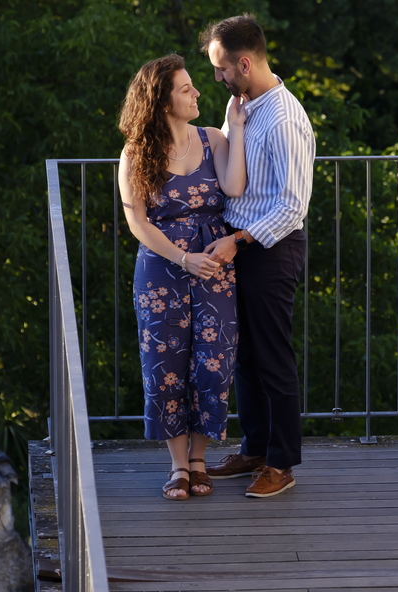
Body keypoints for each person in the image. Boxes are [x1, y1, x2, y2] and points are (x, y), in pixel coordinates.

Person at [117, 53, 247, 500]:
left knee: (214, 362)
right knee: (165, 364)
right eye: (186, 88)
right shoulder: (136, 153)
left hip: (214, 267)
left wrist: (238, 127)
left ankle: (199, 459)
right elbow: (137, 222)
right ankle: (178, 465)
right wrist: (182, 258)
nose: (197, 93)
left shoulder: (214, 138)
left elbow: (233, 187)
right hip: (161, 269)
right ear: (161, 100)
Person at [198, 14, 315, 499]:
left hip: (269, 248)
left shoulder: (286, 118)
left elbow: (292, 206)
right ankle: (256, 449)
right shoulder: (243, 106)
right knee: (244, 356)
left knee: (272, 358)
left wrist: (238, 240)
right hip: (239, 244)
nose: (218, 78)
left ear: (244, 64)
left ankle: (281, 464)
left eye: (222, 68)